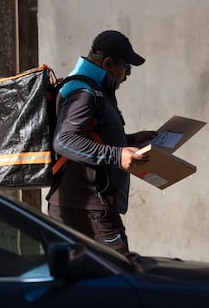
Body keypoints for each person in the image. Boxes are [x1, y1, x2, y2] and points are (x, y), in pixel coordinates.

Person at [47, 30, 157, 254]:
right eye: (126, 68)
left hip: (83, 204)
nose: (126, 76)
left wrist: (131, 141)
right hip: (88, 207)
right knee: (119, 279)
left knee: (85, 281)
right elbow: (64, 140)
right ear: (108, 63)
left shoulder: (93, 89)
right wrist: (117, 155)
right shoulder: (84, 91)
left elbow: (92, 136)